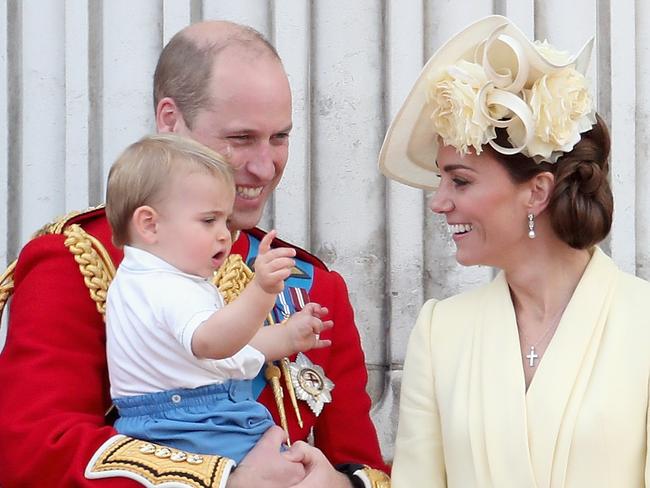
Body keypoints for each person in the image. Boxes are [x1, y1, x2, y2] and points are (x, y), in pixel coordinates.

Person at [0, 21, 390, 488]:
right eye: (241, 138)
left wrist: (339, 484)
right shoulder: (79, 262)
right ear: (170, 121)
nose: (266, 166)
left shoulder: (311, 283)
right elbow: (34, 452)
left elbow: (361, 462)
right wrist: (224, 480)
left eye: (280, 137)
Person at [379, 15, 650, 487]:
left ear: (537, 191)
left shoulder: (643, 322)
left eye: (459, 180)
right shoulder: (440, 331)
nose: (439, 202)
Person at [104, 134, 332, 463]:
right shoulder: (168, 286)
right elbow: (213, 342)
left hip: (171, 421)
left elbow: (222, 349)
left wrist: (287, 336)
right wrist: (261, 292)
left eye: (226, 220)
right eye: (209, 220)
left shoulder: (140, 278)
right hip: (196, 423)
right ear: (149, 225)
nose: (225, 233)